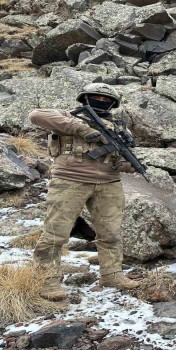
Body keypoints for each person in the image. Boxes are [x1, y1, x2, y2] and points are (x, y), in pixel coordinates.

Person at [30, 83, 141, 301]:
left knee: (111, 233)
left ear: (113, 103)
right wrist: (81, 129)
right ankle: (47, 280)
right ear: (84, 98)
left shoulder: (118, 127)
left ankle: (112, 274)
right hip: (70, 180)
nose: (101, 101)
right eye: (95, 97)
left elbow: (124, 155)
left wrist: (126, 165)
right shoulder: (67, 116)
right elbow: (35, 115)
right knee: (56, 233)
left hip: (109, 182)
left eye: (105, 99)